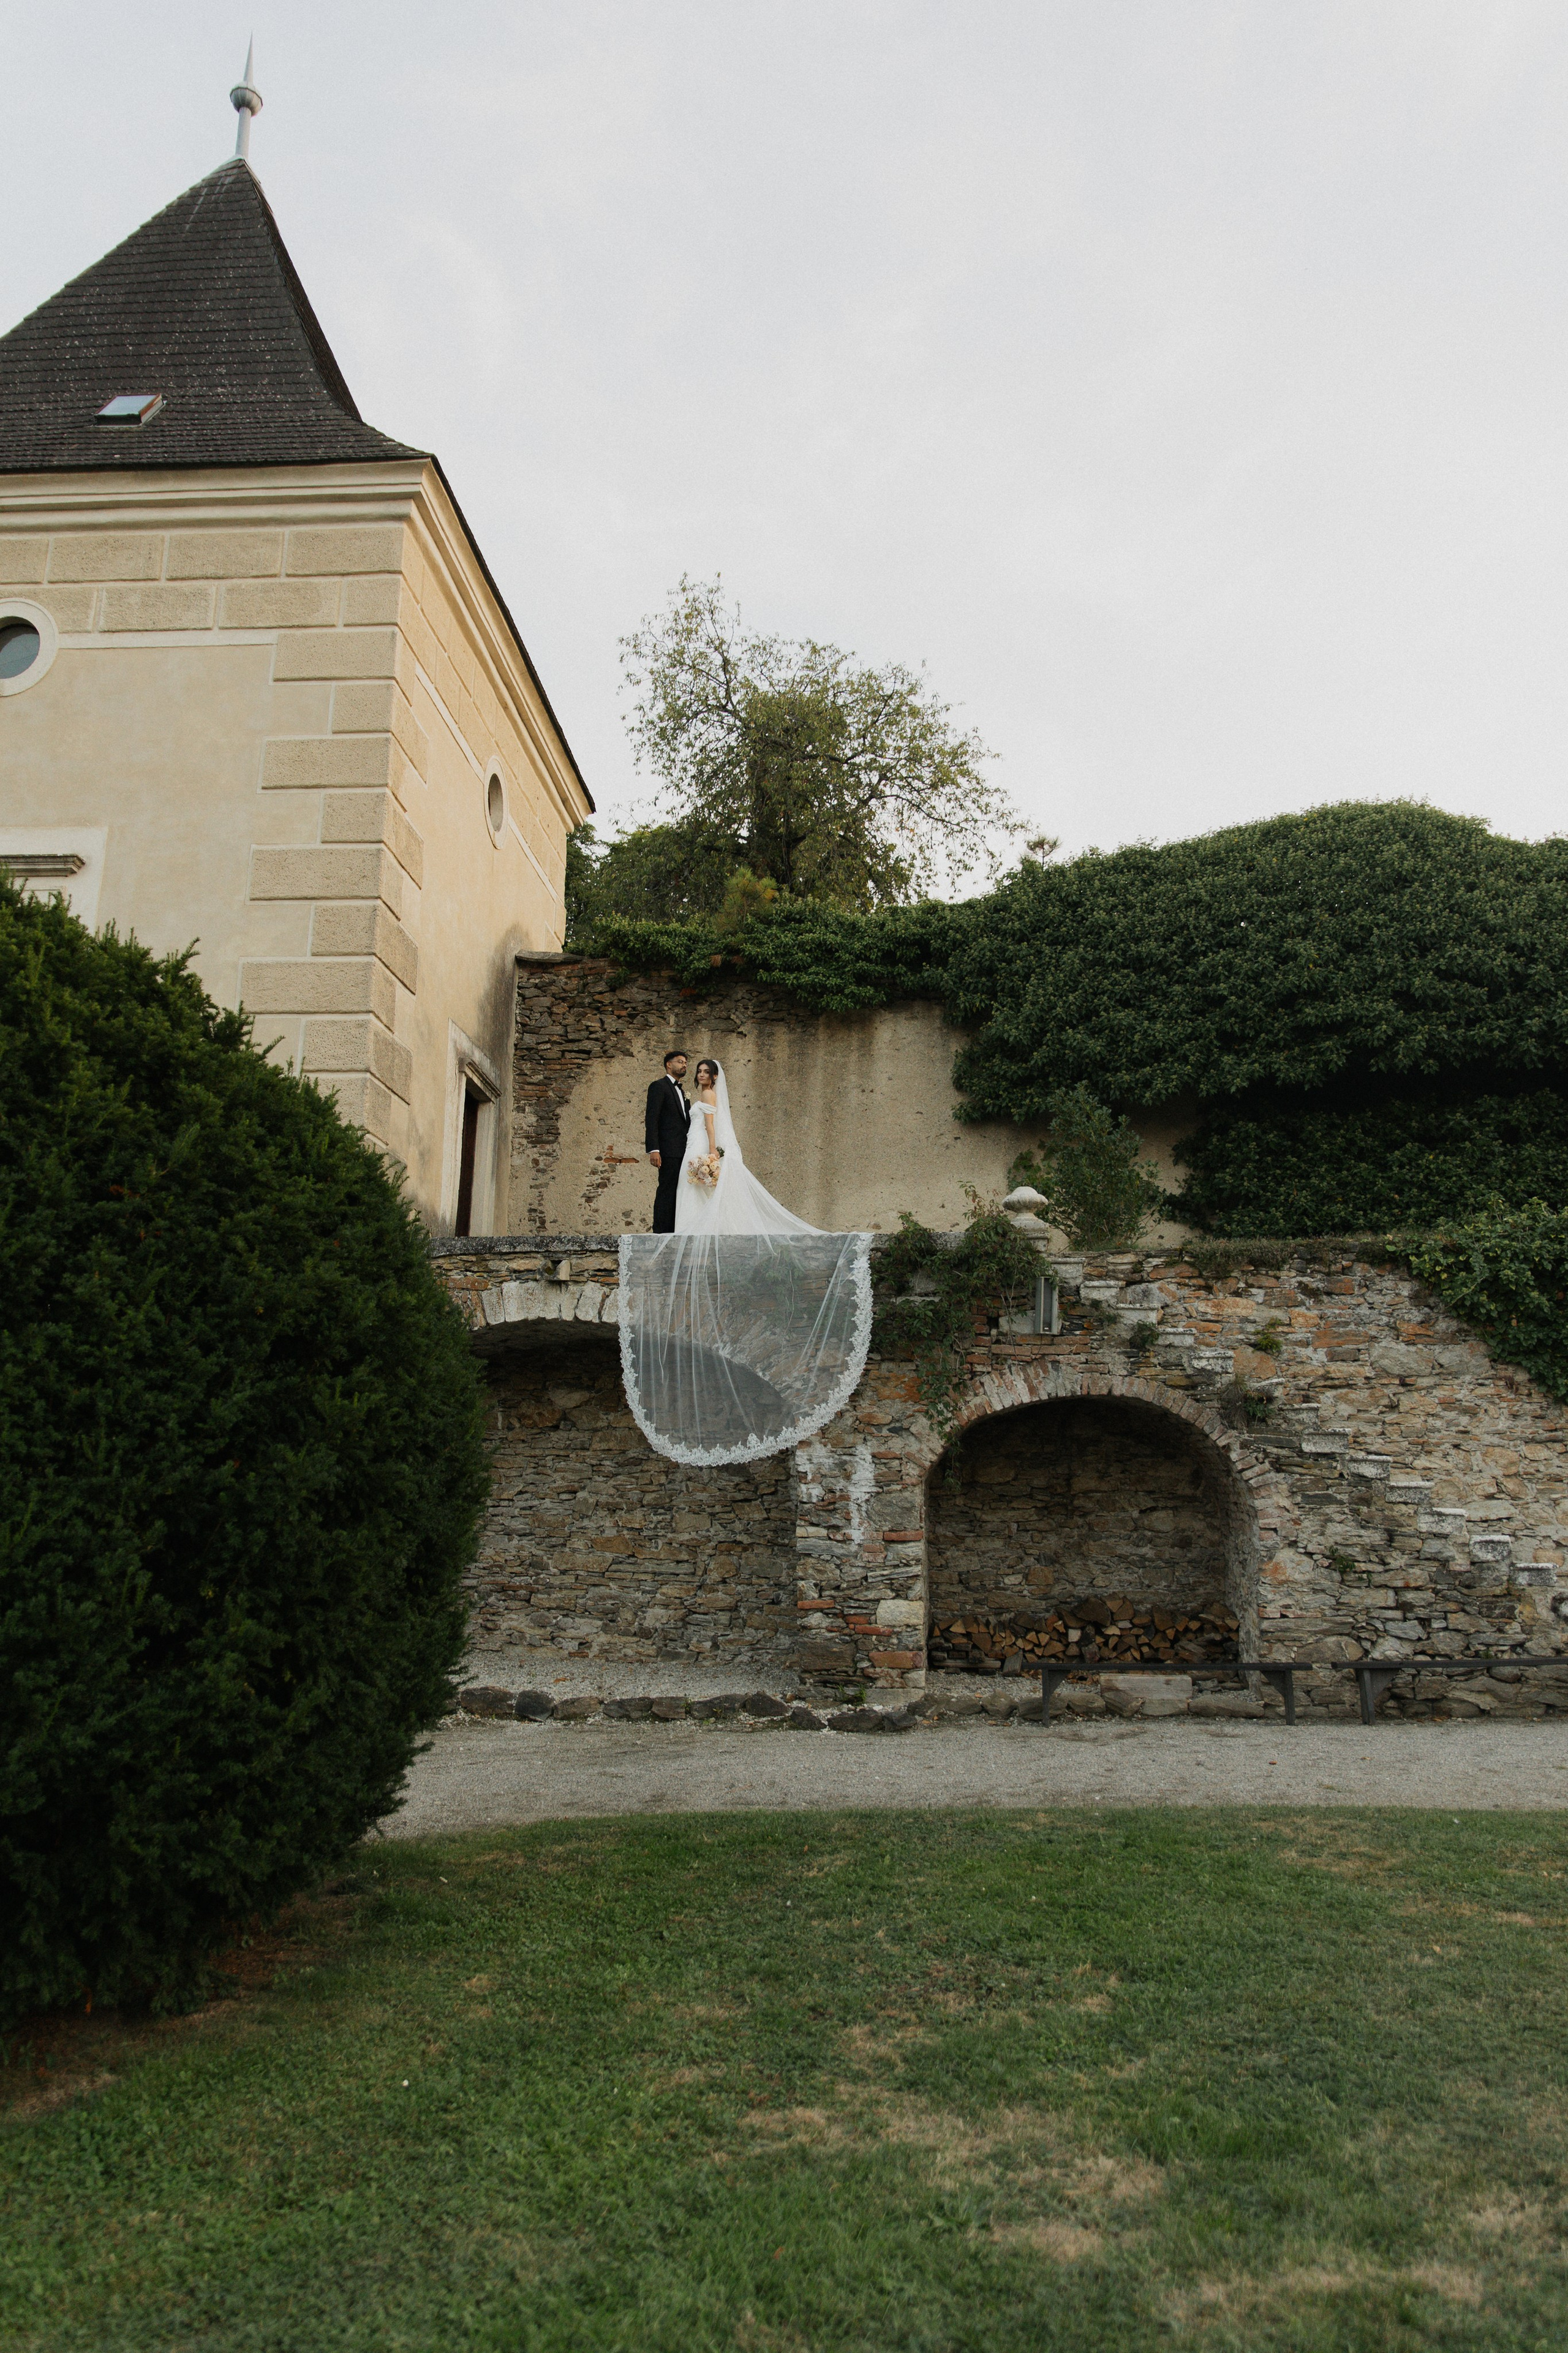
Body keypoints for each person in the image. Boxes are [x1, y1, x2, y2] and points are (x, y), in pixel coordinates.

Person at [675, 1057, 820, 1236]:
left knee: (689, 1185)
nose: (702, 1075)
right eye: (699, 1071)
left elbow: (709, 1125)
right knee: (697, 1186)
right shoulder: (707, 1093)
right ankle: (701, 1231)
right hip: (695, 1140)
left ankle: (690, 1231)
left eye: (706, 1072)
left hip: (699, 1142)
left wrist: (712, 1150)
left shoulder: (707, 1094)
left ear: (715, 1076)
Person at [644, 1049, 691, 1233]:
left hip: (684, 1150)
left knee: (680, 1192)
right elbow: (652, 1119)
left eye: (686, 1062)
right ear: (669, 1065)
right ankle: (660, 1232)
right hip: (668, 1150)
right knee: (666, 1189)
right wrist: (654, 1149)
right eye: (680, 1062)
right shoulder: (658, 1086)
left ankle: (675, 1230)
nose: (684, 1065)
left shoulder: (683, 1091)